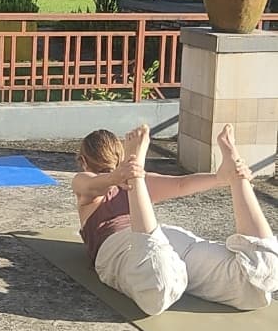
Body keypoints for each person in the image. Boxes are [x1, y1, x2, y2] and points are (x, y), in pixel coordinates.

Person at [72, 122, 278, 316]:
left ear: (83, 161)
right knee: (255, 282)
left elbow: (181, 184)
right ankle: (237, 180)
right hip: (164, 240)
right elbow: (181, 184)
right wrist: (220, 179)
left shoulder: (93, 181)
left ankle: (236, 178)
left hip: (133, 246)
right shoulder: (113, 182)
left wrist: (221, 178)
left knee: (157, 291)